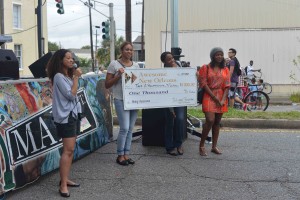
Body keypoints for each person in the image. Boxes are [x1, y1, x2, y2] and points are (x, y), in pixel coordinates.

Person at [46, 49, 82, 198]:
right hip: (65, 117)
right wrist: (75, 78)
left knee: (70, 150)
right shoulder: (59, 76)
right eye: (68, 58)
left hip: (72, 115)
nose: (71, 60)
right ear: (61, 60)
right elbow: (71, 95)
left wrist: (74, 77)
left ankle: (65, 178)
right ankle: (62, 185)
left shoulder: (66, 76)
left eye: (72, 58)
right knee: (68, 150)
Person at [105, 41, 139, 166]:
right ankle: (120, 155)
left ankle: (126, 154)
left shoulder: (136, 66)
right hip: (120, 99)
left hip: (134, 100)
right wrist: (118, 75)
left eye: (131, 50)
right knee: (124, 128)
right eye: (126, 49)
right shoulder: (114, 64)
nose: (129, 52)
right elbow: (107, 84)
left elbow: (138, 83)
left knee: (130, 129)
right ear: (121, 51)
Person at [198, 47, 230, 156]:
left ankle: (214, 146)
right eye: (217, 54)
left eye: (221, 54)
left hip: (221, 97)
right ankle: (201, 145)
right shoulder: (205, 67)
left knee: (217, 122)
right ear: (212, 56)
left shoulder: (225, 69)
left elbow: (227, 86)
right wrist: (214, 98)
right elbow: (203, 84)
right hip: (209, 95)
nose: (219, 56)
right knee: (210, 120)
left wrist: (223, 99)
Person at [160, 52, 185, 156]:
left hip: (180, 98)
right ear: (164, 62)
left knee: (179, 120)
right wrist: (171, 109)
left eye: (172, 58)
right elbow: (166, 91)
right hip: (169, 99)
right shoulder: (164, 72)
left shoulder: (179, 65)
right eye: (169, 59)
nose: (172, 60)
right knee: (170, 122)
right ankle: (170, 147)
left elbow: (186, 77)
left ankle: (179, 144)